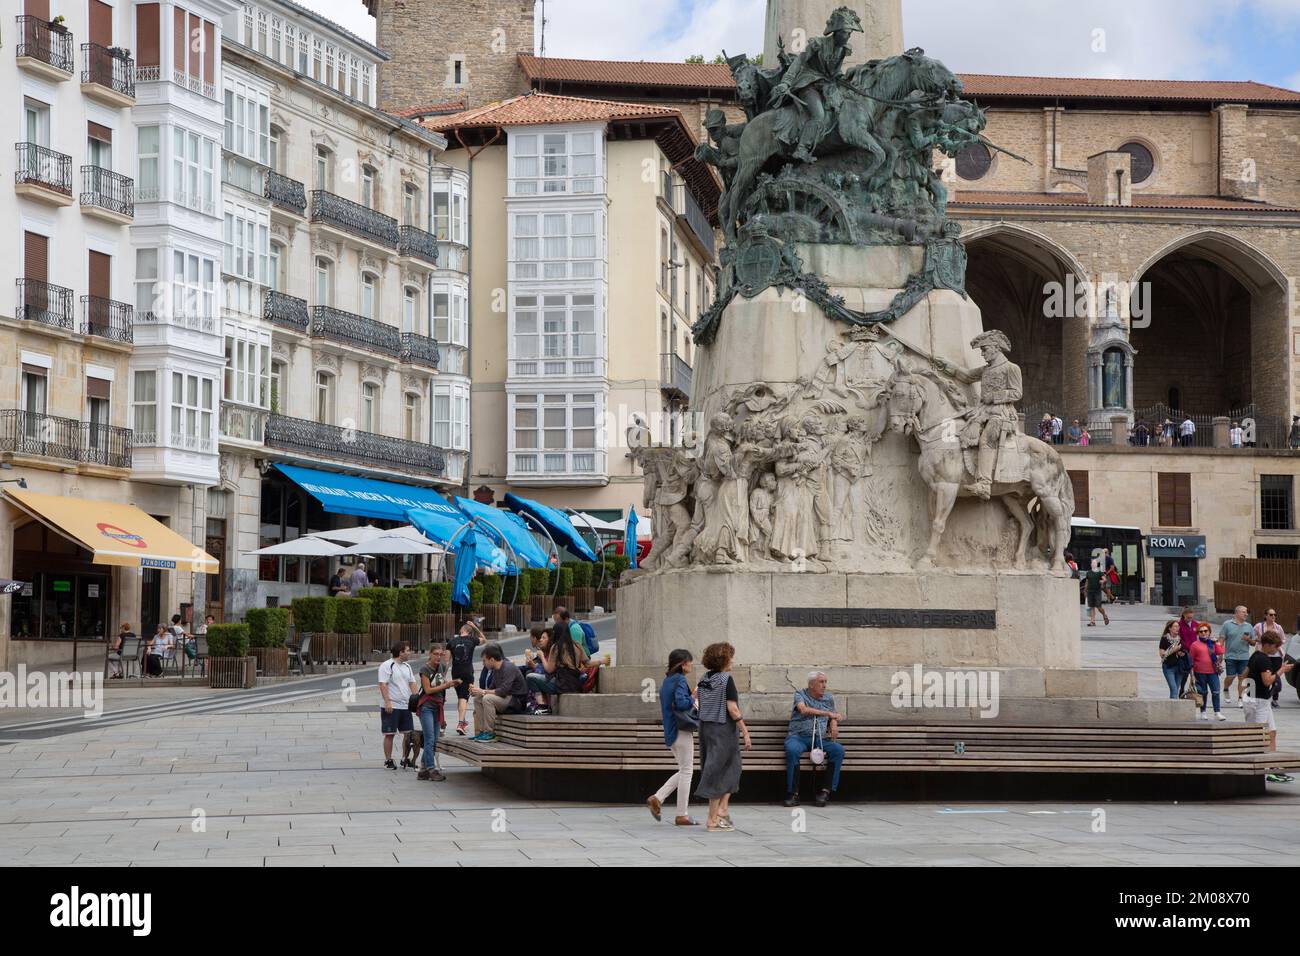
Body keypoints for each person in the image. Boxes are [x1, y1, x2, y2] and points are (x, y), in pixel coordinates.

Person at [695, 642, 750, 832]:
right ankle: (712, 819)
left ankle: (722, 811)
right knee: (720, 771)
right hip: (723, 729)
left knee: (729, 770)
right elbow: (732, 709)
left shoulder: (704, 678)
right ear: (724, 659)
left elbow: (697, 698)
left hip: (706, 728)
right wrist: (745, 730)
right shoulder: (726, 679)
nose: (733, 660)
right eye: (730, 656)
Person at [647, 649, 699, 826]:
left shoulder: (667, 681)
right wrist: (694, 696)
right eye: (690, 662)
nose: (692, 665)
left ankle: (658, 798)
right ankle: (681, 814)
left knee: (684, 769)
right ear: (683, 663)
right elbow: (682, 703)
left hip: (671, 731)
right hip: (682, 730)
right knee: (687, 771)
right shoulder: (680, 680)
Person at [783, 671, 845, 807]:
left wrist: (833, 723)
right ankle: (793, 794)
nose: (824, 685)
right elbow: (803, 710)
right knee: (792, 750)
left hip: (820, 739)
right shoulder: (800, 694)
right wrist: (828, 713)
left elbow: (833, 715)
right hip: (798, 737)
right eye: (821, 682)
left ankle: (825, 792)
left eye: (825, 682)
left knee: (838, 750)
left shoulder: (828, 698)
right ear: (811, 684)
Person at [1245, 631, 1295, 782]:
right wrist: (1281, 671)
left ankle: (1272, 766)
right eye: (1275, 646)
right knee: (1260, 736)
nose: (1277, 649)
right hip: (1258, 702)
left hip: (1258, 700)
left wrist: (1244, 693)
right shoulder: (1263, 660)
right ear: (1267, 645)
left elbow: (1244, 674)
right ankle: (1263, 769)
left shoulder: (1255, 656)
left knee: (1272, 732)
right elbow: (1267, 681)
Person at [468, 643, 528, 743]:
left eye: (484, 661)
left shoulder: (508, 667)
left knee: (487, 699)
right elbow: (492, 688)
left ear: (491, 660)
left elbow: (503, 691)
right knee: (478, 699)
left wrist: (483, 691)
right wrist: (478, 692)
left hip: (516, 701)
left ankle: (490, 733)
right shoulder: (496, 669)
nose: (483, 664)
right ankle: (482, 731)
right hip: (506, 698)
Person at [415, 644, 459, 781]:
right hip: (426, 707)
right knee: (429, 739)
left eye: (441, 654)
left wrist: (451, 683)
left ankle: (423, 770)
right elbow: (428, 690)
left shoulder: (442, 667)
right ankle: (431, 769)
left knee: (434, 740)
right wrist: (446, 685)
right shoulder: (425, 669)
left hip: (438, 706)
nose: (438, 657)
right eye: (436, 654)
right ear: (430, 654)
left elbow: (441, 683)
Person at [525, 626, 585, 715]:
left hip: (562, 684)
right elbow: (587, 663)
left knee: (530, 677)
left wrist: (541, 657)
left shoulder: (556, 646)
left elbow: (549, 669)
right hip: (575, 683)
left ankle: (543, 706)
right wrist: (602, 661)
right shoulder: (577, 645)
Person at [377, 641, 418, 769]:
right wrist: (387, 702)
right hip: (392, 706)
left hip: (405, 706)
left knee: (408, 734)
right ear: (400, 652)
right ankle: (388, 760)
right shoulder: (387, 665)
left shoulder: (407, 666)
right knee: (389, 734)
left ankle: (404, 759)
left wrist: (416, 699)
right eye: (407, 650)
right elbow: (383, 684)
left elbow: (412, 683)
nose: (409, 652)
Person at [447, 619, 485, 735]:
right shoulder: (472, 640)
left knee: (460, 697)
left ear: (461, 630)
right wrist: (475, 627)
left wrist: (443, 675)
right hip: (467, 673)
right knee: (463, 697)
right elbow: (484, 639)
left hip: (455, 673)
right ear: (470, 632)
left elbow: (446, 660)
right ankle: (460, 723)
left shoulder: (452, 642)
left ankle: (462, 722)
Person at [1188, 622, 1226, 721]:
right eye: (1201, 631)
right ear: (1198, 633)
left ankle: (1217, 712)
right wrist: (1192, 674)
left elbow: (1221, 651)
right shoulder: (1195, 645)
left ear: (1209, 632)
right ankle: (1203, 712)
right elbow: (1191, 659)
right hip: (1200, 672)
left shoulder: (1212, 643)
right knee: (1203, 692)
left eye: (1206, 631)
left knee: (1216, 691)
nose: (1204, 633)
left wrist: (1216, 642)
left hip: (1213, 672)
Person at [1219, 605, 1255, 707]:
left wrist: (1248, 639)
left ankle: (1240, 698)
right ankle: (1226, 688)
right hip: (1230, 656)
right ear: (1237, 613)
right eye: (1244, 612)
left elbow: (1253, 643)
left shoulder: (1249, 626)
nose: (1246, 614)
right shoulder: (1227, 624)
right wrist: (1220, 653)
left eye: (1246, 612)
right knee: (1230, 677)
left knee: (1242, 678)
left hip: (1244, 656)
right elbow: (1221, 640)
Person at [1252, 609, 1287, 709]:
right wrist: (1260, 640)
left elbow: (1283, 639)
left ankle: (1275, 699)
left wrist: (1276, 643)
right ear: (1265, 615)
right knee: (1264, 676)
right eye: (1271, 614)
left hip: (1276, 656)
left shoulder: (1278, 627)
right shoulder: (1259, 626)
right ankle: (1264, 696)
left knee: (1276, 676)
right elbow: (1252, 636)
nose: (1273, 616)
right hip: (1263, 654)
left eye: (1275, 615)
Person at [1158, 619, 1187, 699]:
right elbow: (1162, 654)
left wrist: (1182, 653)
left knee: (1175, 690)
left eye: (1178, 626)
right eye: (1175, 626)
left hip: (1179, 667)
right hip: (1168, 667)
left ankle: (1172, 707)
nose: (1177, 628)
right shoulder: (1164, 639)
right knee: (1174, 689)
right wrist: (1173, 650)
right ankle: (1173, 709)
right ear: (1170, 628)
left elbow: (1184, 652)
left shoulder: (1180, 639)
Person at [1083, 560, 1109, 627]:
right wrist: (1085, 590)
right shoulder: (1088, 573)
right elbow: (1087, 582)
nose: (1093, 564)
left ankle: (1104, 615)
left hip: (1097, 592)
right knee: (1092, 607)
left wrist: (1102, 581)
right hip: (1090, 592)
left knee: (1099, 607)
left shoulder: (1099, 573)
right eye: (1092, 563)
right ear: (1091, 564)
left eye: (1094, 563)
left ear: (1096, 564)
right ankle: (1092, 622)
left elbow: (1105, 579)